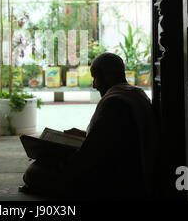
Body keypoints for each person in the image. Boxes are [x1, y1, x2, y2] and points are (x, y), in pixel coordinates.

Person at [20, 52, 159, 200]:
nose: (94, 85)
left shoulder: (115, 103)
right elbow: (109, 141)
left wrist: (58, 154)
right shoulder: (136, 94)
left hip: (114, 181)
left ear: (108, 76)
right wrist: (85, 137)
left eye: (96, 77)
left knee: (33, 171)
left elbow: (87, 160)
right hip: (129, 172)